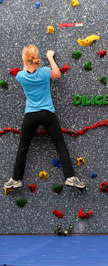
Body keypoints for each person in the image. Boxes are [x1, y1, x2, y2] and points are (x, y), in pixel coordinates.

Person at [3, 45, 86, 190]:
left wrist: (26, 64)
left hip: (31, 115)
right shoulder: (45, 72)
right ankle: (70, 177)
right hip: (47, 113)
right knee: (60, 144)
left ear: (24, 60)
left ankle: (16, 179)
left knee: (23, 147)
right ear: (37, 58)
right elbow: (57, 74)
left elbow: (26, 71)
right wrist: (50, 57)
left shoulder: (20, 76)